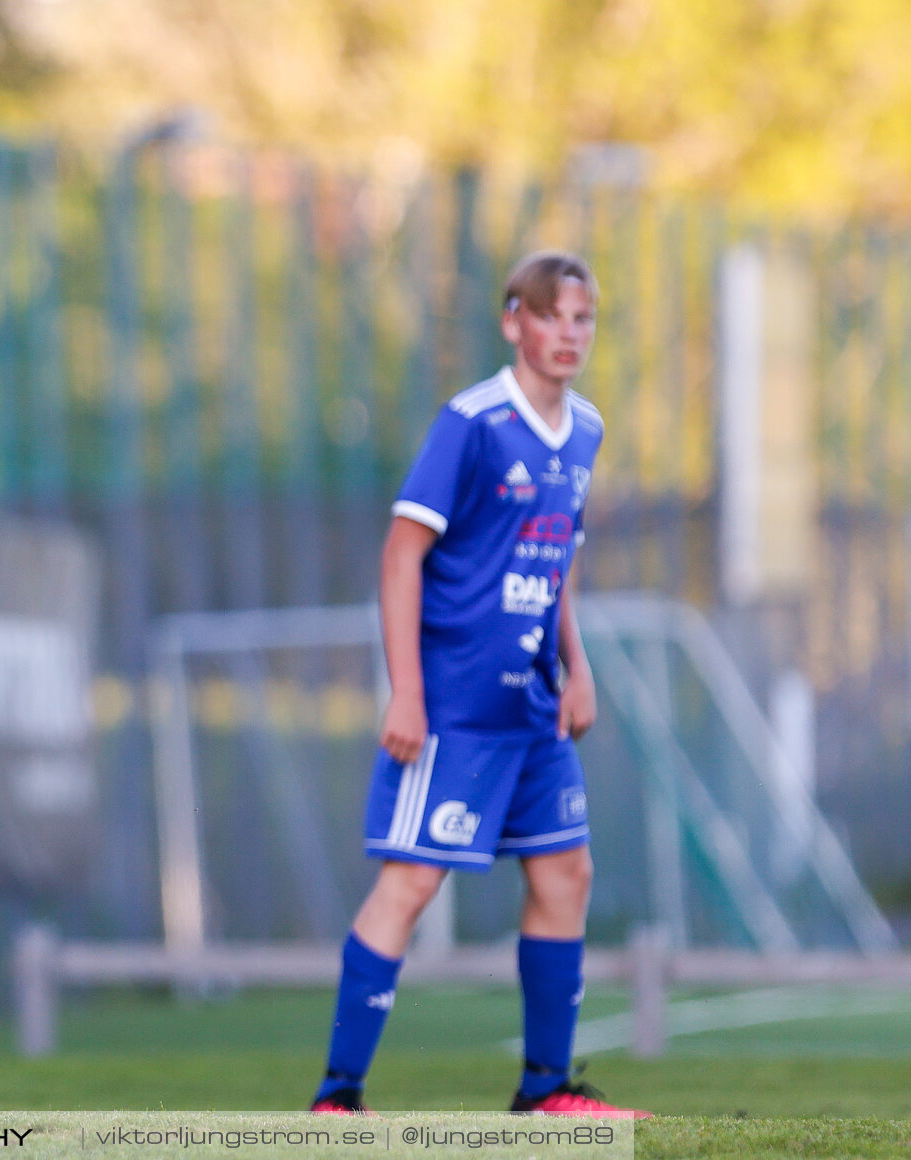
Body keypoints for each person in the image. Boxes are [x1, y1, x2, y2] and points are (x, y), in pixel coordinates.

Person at [310, 252, 648, 1119]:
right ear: (514, 323)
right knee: (412, 884)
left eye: (584, 319)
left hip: (533, 711)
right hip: (454, 710)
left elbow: (555, 554)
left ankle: (545, 1094)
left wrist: (579, 667)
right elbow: (401, 555)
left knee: (566, 872)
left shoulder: (587, 430)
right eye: (552, 316)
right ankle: (336, 1101)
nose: (569, 334)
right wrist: (406, 692)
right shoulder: (473, 422)